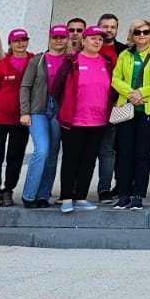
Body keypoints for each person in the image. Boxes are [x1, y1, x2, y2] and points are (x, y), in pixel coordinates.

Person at [109, 20, 150, 211]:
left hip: (149, 109)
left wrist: (141, 92)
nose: (142, 35)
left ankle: (138, 195)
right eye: (137, 32)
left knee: (142, 153)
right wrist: (131, 94)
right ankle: (123, 194)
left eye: (146, 31)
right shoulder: (125, 55)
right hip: (127, 108)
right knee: (125, 152)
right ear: (132, 35)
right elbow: (115, 79)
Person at [57, 26, 116, 212]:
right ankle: (67, 198)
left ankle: (81, 197)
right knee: (71, 159)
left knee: (89, 160)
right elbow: (56, 87)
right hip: (74, 120)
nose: (97, 42)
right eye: (93, 38)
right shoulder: (72, 60)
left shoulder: (107, 62)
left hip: (98, 121)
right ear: (83, 41)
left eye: (100, 39)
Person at [18, 25, 71, 208]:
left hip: (59, 109)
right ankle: (29, 195)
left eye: (62, 37)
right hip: (39, 109)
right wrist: (25, 112)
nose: (58, 40)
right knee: (41, 150)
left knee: (53, 154)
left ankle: (43, 195)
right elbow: (25, 86)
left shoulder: (71, 60)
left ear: (67, 39)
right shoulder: (38, 60)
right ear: (50, 38)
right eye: (55, 37)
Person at [0, 29, 33, 207]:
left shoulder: (33, 61)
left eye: (24, 40)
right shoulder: (2, 64)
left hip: (21, 118)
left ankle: (9, 190)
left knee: (15, 155)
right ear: (10, 43)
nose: (21, 43)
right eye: (17, 41)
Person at [93, 13, 123, 202]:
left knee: (109, 150)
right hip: (89, 107)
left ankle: (105, 189)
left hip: (116, 106)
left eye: (113, 27)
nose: (109, 30)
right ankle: (77, 189)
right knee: (87, 151)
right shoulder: (89, 48)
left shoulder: (124, 51)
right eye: (105, 26)